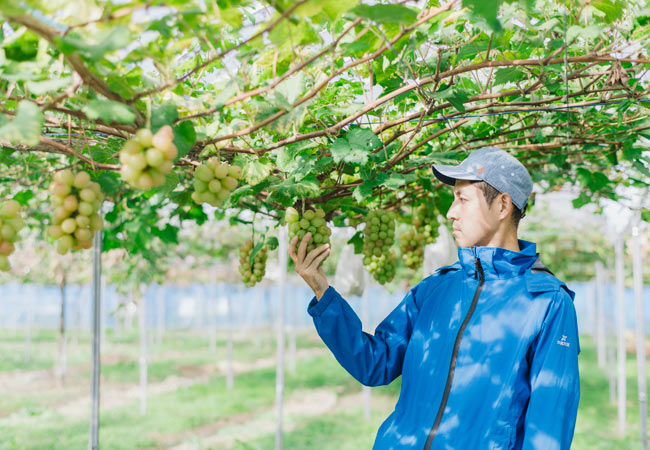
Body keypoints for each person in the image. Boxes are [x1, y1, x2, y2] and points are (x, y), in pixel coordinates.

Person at [288, 147, 580, 450]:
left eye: (463, 199)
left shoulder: (547, 303)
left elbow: (548, 430)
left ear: (503, 205)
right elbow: (374, 363)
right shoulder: (436, 288)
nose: (451, 212)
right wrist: (322, 290)